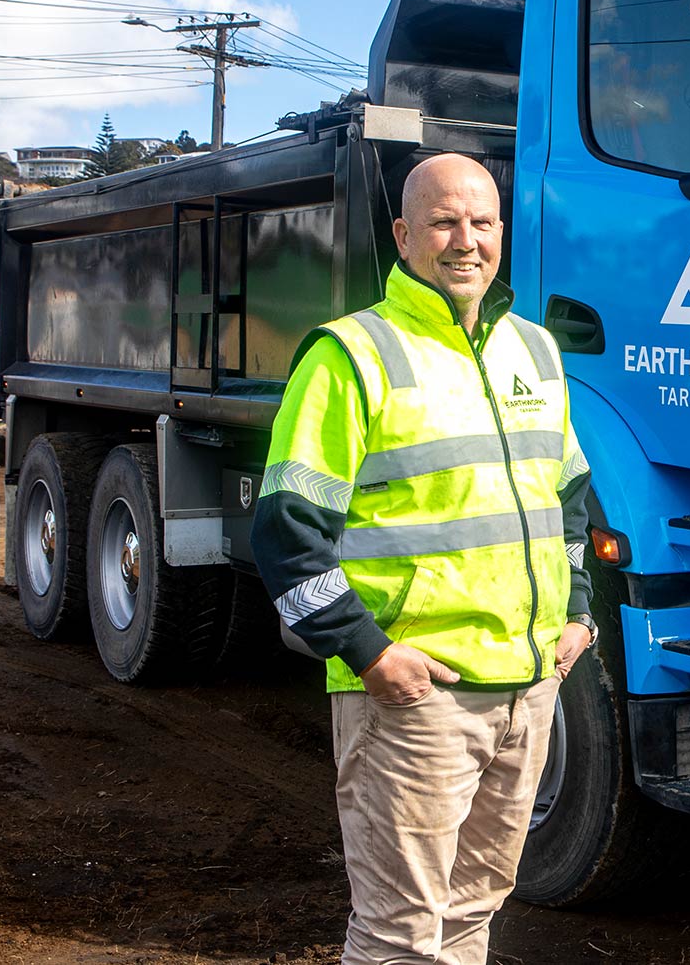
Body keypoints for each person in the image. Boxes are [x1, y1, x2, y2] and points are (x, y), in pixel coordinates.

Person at [252, 152, 595, 965]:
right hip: (417, 698)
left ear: (502, 232)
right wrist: (369, 654)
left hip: (526, 689)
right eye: (443, 221)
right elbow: (284, 531)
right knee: (400, 935)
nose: (465, 240)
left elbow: (569, 497)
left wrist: (576, 610)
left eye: (481, 221)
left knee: (473, 913)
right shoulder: (353, 354)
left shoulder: (536, 352)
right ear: (405, 234)